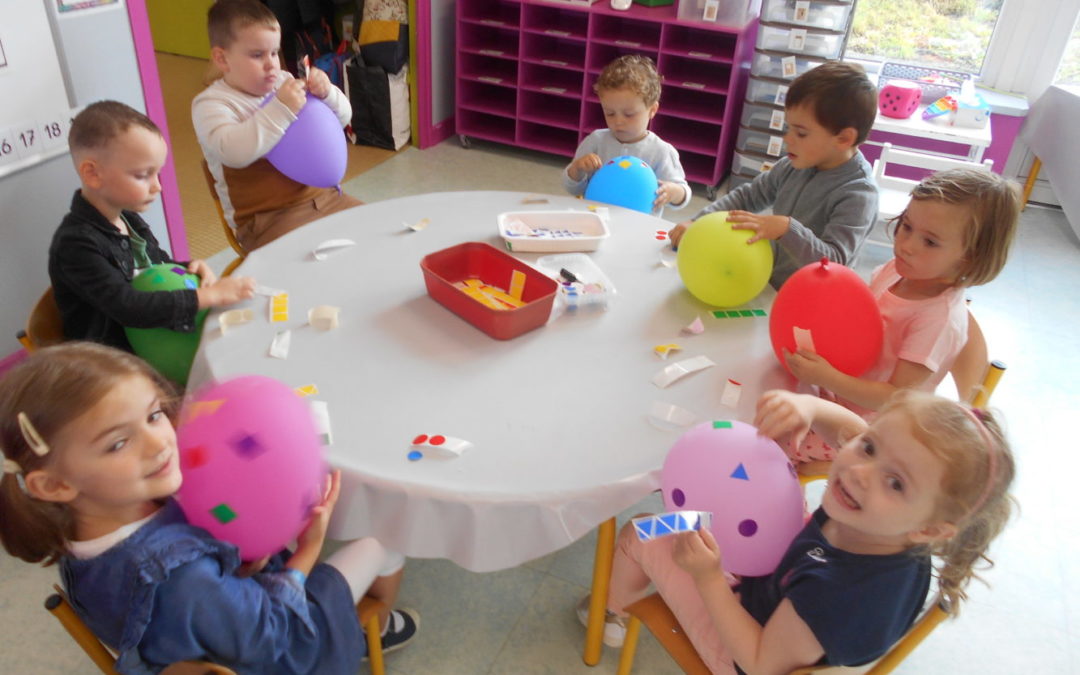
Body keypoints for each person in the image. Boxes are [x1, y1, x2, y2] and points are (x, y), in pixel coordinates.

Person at [0, 343, 418, 674]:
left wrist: (239, 571)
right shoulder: (181, 575)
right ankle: (372, 630)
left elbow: (182, 606)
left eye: (154, 414)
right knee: (383, 539)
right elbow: (269, 635)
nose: (160, 442)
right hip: (280, 655)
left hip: (205, 631)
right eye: (118, 443)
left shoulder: (77, 528)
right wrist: (309, 548)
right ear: (54, 484)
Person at [579, 388, 1014, 674]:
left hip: (744, 650)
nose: (861, 472)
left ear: (931, 528)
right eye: (870, 447)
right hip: (776, 586)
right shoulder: (890, 527)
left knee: (643, 530)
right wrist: (809, 407)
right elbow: (849, 430)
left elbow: (759, 662)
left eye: (896, 482)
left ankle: (612, 612)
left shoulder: (839, 594)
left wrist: (709, 577)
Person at [784, 169, 1021, 462]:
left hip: (872, 429)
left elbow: (894, 398)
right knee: (768, 386)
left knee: (780, 439)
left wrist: (827, 378)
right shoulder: (897, 270)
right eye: (907, 226)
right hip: (839, 388)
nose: (906, 245)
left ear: (969, 256)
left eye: (930, 242)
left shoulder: (937, 319)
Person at [49, 101, 255, 354]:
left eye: (157, 174)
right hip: (112, 361)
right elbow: (129, 306)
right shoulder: (75, 245)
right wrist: (209, 297)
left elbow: (156, 268)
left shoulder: (129, 220)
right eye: (143, 175)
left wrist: (187, 268)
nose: (157, 187)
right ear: (93, 174)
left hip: (152, 339)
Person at [668, 62, 879, 288]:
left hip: (810, 298)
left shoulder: (858, 194)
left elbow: (834, 262)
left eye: (801, 133)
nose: (787, 139)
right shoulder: (792, 165)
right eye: (788, 128)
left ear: (844, 139)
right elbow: (747, 197)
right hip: (769, 282)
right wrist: (698, 221)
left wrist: (787, 229)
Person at [193, 0, 362, 252]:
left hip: (325, 198)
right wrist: (282, 108)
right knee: (307, 268)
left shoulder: (283, 81)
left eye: (274, 52)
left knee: (376, 231)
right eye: (257, 55)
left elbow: (340, 120)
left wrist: (327, 93)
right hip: (267, 220)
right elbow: (235, 153)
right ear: (222, 58)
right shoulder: (211, 105)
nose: (272, 63)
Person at [563, 55, 691, 214]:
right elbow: (573, 188)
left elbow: (683, 194)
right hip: (597, 221)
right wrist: (577, 169)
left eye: (629, 114)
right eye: (610, 113)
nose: (618, 122)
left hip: (639, 226)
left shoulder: (661, 151)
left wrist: (674, 192)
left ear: (652, 110)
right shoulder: (595, 141)